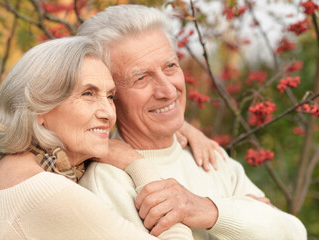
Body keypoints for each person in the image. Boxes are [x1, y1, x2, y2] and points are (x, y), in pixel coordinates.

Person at [76, 4, 307, 240]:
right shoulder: (106, 182)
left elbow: (294, 232)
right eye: (142, 78)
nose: (167, 90)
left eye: (170, 67)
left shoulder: (207, 156)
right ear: (110, 95)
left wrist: (207, 210)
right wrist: (248, 218)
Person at [0, 36, 198, 240]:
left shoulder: (15, 170)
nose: (108, 113)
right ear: (39, 108)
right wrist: (138, 164)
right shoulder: (46, 192)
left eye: (110, 96)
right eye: (88, 94)